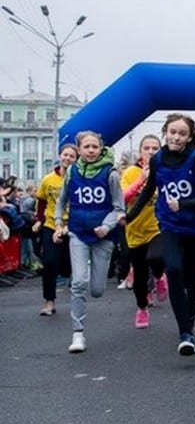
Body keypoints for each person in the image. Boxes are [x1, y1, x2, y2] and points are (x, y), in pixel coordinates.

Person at [126, 113, 195, 355]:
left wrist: (185, 203)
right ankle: (185, 333)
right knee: (175, 270)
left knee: (192, 280)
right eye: (172, 132)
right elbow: (149, 190)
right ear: (165, 132)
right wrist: (130, 216)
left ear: (189, 138)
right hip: (169, 224)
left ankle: (190, 322)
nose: (176, 137)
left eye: (182, 134)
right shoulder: (158, 159)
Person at [54, 131, 125, 352]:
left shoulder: (110, 174)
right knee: (78, 282)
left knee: (96, 290)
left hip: (103, 236)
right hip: (78, 232)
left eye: (95, 147)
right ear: (79, 150)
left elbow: (119, 208)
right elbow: (61, 200)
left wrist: (107, 226)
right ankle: (78, 333)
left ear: (101, 148)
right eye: (87, 147)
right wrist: (58, 223)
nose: (91, 150)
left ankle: (94, 282)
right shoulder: (71, 172)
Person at [120, 134, 169, 328]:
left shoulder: (166, 170)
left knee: (156, 257)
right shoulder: (131, 172)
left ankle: (159, 276)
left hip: (158, 226)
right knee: (139, 277)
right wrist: (141, 179)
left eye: (155, 148)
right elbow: (123, 197)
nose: (150, 152)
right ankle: (142, 308)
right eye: (146, 148)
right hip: (134, 229)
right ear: (140, 152)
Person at [34, 146, 77, 316]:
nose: (67, 158)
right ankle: (49, 301)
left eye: (72, 156)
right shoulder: (48, 180)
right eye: (65, 155)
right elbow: (41, 201)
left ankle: (66, 275)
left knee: (66, 267)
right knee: (50, 263)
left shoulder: (78, 179)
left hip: (73, 226)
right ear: (60, 157)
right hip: (51, 225)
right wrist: (39, 220)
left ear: (76, 159)